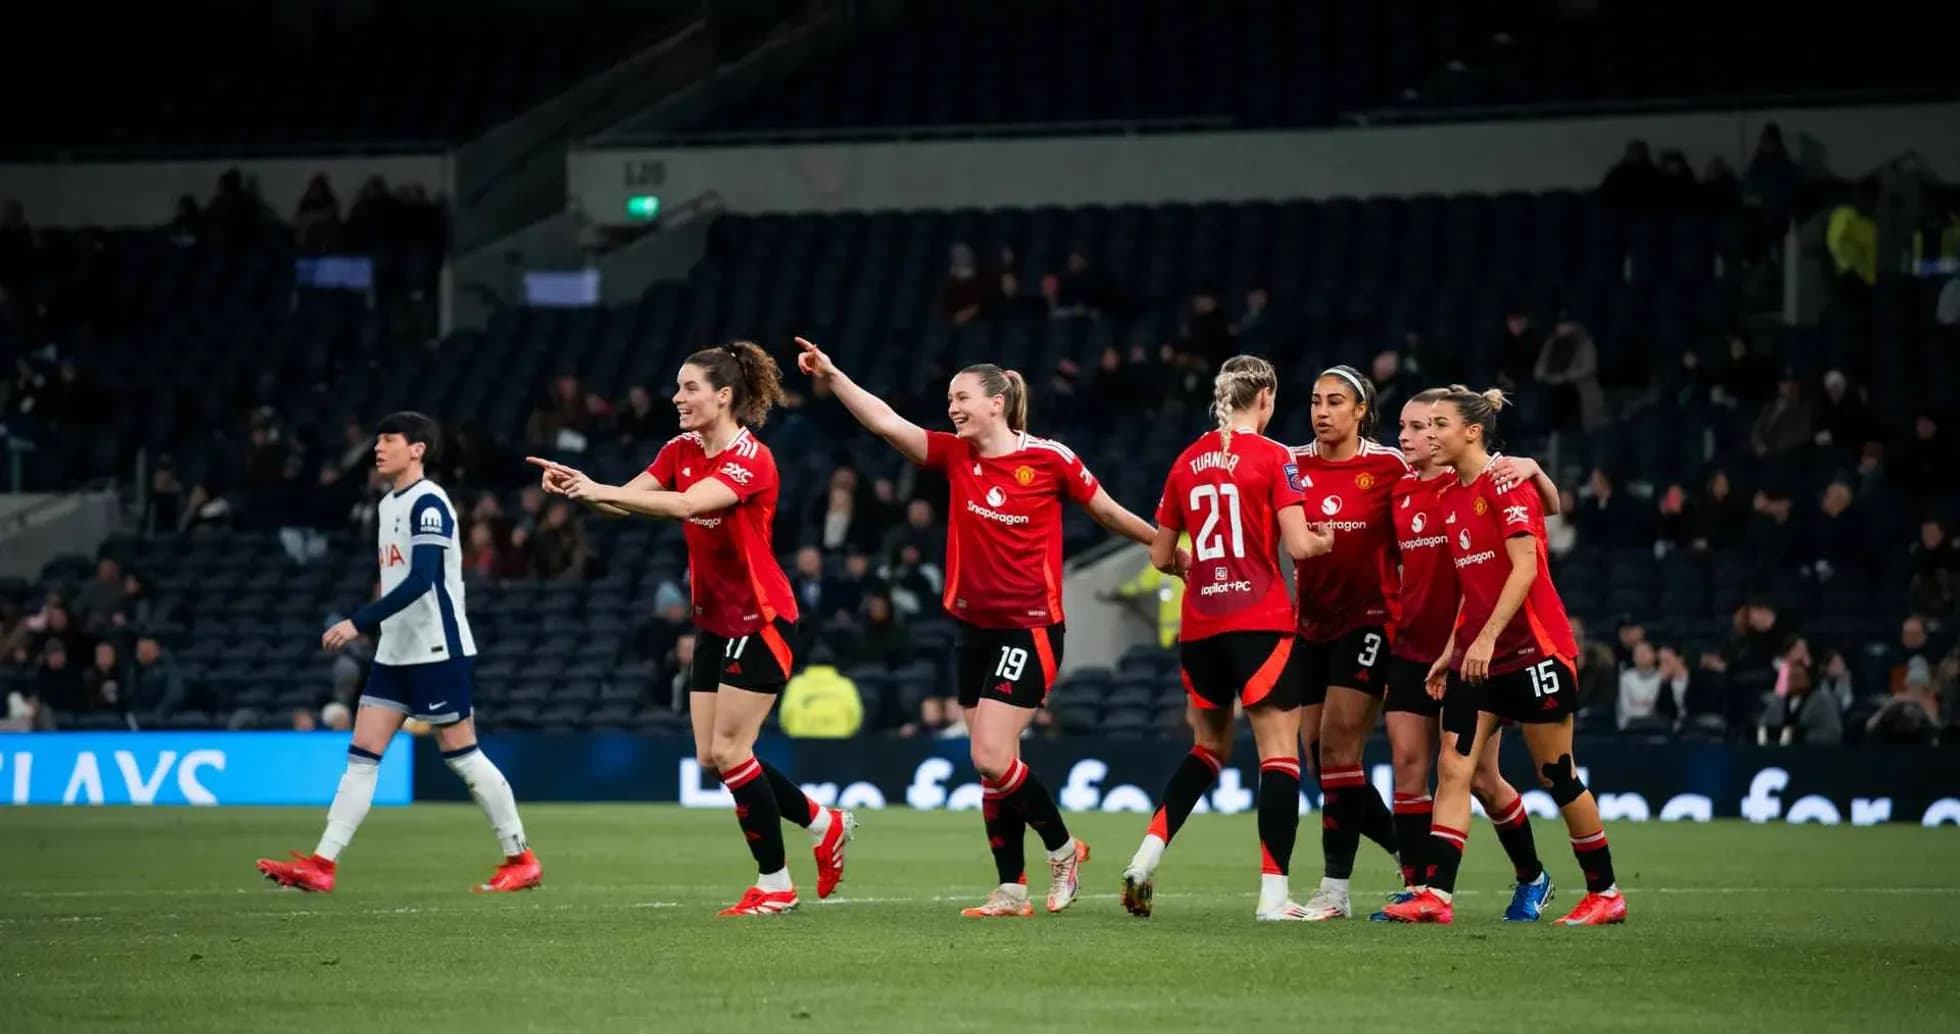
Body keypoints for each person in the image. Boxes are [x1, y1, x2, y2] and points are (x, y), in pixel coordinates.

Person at [795, 335, 1160, 917]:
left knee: (992, 755)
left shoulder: (1050, 459)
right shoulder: (954, 455)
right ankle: (1011, 889)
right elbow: (887, 424)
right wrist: (833, 375)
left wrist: (1166, 547)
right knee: (991, 766)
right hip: (971, 629)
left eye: (962, 397)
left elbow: (1108, 512)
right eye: (948, 399)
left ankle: (1063, 851)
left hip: (1030, 626)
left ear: (997, 402)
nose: (952, 408)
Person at [529, 342, 855, 916]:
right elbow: (628, 502)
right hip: (714, 619)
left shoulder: (751, 458)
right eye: (678, 388)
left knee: (733, 751)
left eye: (689, 388)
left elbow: (686, 506)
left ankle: (776, 886)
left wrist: (596, 489)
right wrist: (582, 488)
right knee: (712, 757)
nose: (677, 398)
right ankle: (824, 823)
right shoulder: (680, 448)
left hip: (762, 618)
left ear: (723, 396)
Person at [257, 412, 541, 895]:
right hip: (395, 652)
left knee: (463, 756)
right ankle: (322, 864)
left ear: (418, 450)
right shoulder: (389, 504)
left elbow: (422, 579)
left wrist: (358, 622)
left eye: (389, 439)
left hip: (436, 649)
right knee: (363, 756)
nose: (378, 447)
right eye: (377, 440)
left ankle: (520, 856)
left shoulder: (427, 502)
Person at [1383, 388, 1626, 926]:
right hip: (1478, 659)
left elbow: (1525, 568)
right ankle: (1436, 896)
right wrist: (1454, 649)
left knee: (1557, 775)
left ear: (1471, 431)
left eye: (1439, 425)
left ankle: (1606, 892)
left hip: (1535, 651)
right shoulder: (1450, 495)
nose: (1427, 435)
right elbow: (1474, 581)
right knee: (1454, 767)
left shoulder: (1504, 484)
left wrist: (1488, 636)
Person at [1121, 356, 1335, 921]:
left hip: (1201, 628)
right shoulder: (1276, 457)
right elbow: (1301, 546)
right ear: (1264, 396)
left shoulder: (1187, 460)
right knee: (1279, 755)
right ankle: (1273, 896)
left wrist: (1201, 568)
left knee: (1208, 750)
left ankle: (1145, 857)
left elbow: (1161, 555)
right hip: (1260, 622)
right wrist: (1326, 537)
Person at [1374, 389, 1559, 922]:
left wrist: (1533, 468)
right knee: (1409, 765)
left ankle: (1532, 875)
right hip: (1412, 648)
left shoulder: (1474, 485)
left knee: (1477, 777)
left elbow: (1536, 518)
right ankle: (1417, 888)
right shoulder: (1402, 491)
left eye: (1423, 425)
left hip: (1471, 650)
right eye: (1407, 427)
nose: (1410, 436)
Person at [1286, 365, 1412, 921]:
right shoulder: (1290, 463)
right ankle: (1413, 854)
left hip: (1370, 620)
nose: (1322, 410)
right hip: (1310, 624)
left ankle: (1334, 891)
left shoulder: (1388, 466)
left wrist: (1514, 465)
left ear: (1361, 411)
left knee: (1339, 747)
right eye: (1315, 400)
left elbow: (1442, 487)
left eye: (1335, 401)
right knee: (1318, 756)